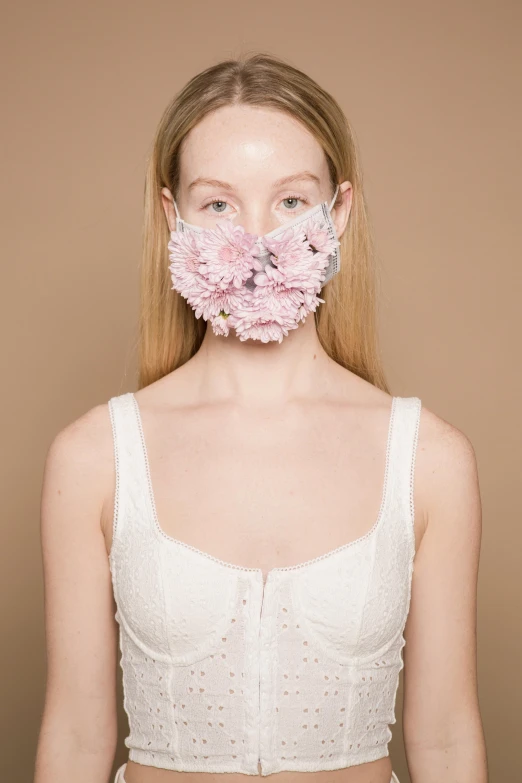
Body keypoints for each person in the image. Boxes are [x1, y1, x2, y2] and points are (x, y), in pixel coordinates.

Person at [35, 53, 487, 783]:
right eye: (218, 204)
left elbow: (445, 739)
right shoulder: (93, 456)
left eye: (290, 202)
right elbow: (77, 736)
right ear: (171, 216)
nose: (257, 242)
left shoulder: (432, 458)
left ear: (338, 213)